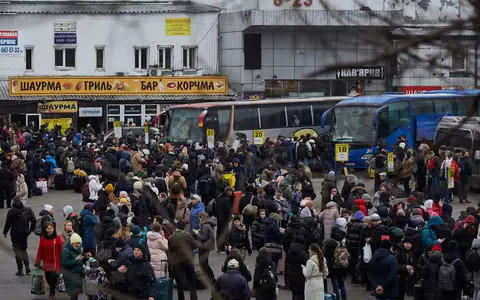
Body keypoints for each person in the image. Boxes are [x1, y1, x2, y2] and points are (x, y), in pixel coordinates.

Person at [2, 197, 36, 276]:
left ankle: (20, 270)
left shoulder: (11, 211)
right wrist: (31, 230)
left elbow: (8, 223)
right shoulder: (27, 210)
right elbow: (33, 220)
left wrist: (5, 232)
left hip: (15, 233)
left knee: (17, 251)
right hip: (25, 233)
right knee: (24, 250)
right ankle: (27, 267)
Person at [168, 220, 197, 300]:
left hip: (177, 263)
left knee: (179, 285)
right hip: (188, 261)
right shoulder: (188, 235)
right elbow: (195, 245)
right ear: (184, 227)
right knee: (192, 283)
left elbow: (169, 250)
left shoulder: (171, 238)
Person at [35, 221, 63, 300]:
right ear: (45, 229)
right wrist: (37, 261)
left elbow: (61, 250)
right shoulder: (43, 238)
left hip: (56, 263)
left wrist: (63, 260)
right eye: (48, 228)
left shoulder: (57, 238)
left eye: (51, 228)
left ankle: (51, 292)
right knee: (48, 279)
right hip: (47, 262)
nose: (50, 230)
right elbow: (40, 250)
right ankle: (52, 288)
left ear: (54, 229)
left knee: (53, 278)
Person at [61, 233, 91, 300]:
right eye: (76, 243)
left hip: (78, 275)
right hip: (70, 276)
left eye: (79, 243)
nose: (78, 245)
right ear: (72, 243)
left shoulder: (79, 249)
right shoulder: (65, 251)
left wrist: (85, 257)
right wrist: (75, 259)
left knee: (76, 294)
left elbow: (80, 260)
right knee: (74, 294)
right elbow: (64, 264)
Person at [193, 212, 217, 284]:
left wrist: (197, 233)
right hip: (207, 246)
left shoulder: (205, 226)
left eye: (200, 218)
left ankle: (211, 278)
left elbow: (203, 237)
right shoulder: (209, 225)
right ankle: (210, 278)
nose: (199, 220)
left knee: (204, 264)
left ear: (202, 218)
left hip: (204, 247)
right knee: (204, 263)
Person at [286, 235, 309, 300]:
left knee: (294, 294)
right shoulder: (303, 253)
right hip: (300, 276)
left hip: (291, 274)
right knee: (301, 295)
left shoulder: (290, 251)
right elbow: (306, 264)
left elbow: (287, 261)